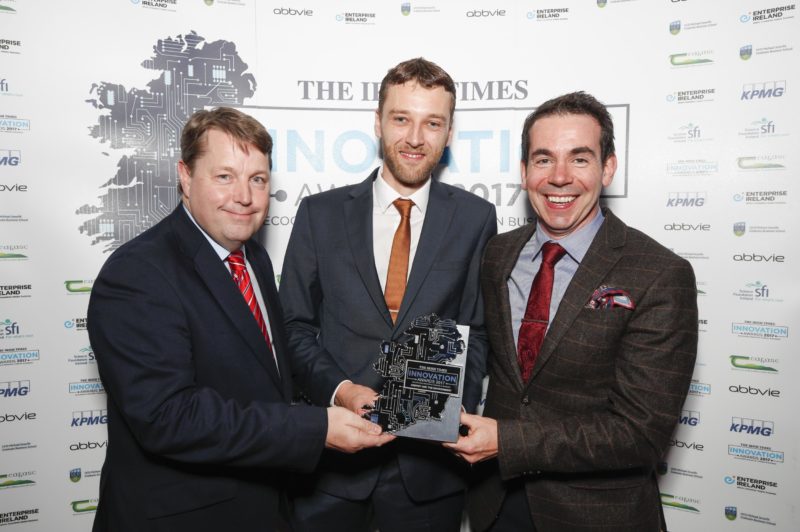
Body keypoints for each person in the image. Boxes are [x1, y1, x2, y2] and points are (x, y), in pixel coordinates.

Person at [87, 107, 392, 532]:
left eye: (258, 179)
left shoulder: (253, 259)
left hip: (262, 504)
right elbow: (168, 416)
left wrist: (338, 393)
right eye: (224, 176)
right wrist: (316, 427)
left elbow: (267, 372)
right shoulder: (138, 273)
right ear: (186, 176)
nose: (245, 196)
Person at [445, 92, 698, 531]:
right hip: (494, 505)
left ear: (608, 168)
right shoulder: (497, 254)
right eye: (543, 160)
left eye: (579, 159)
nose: (559, 178)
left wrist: (507, 441)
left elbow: (641, 434)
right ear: (524, 173)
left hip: (595, 515)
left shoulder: (659, 273)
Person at [279, 57, 497, 531]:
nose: (415, 138)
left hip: (430, 471)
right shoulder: (320, 213)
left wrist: (454, 406)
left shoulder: (476, 218)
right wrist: (338, 390)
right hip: (331, 467)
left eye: (432, 123)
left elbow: (476, 330)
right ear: (378, 123)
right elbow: (293, 325)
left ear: (449, 133)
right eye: (402, 119)